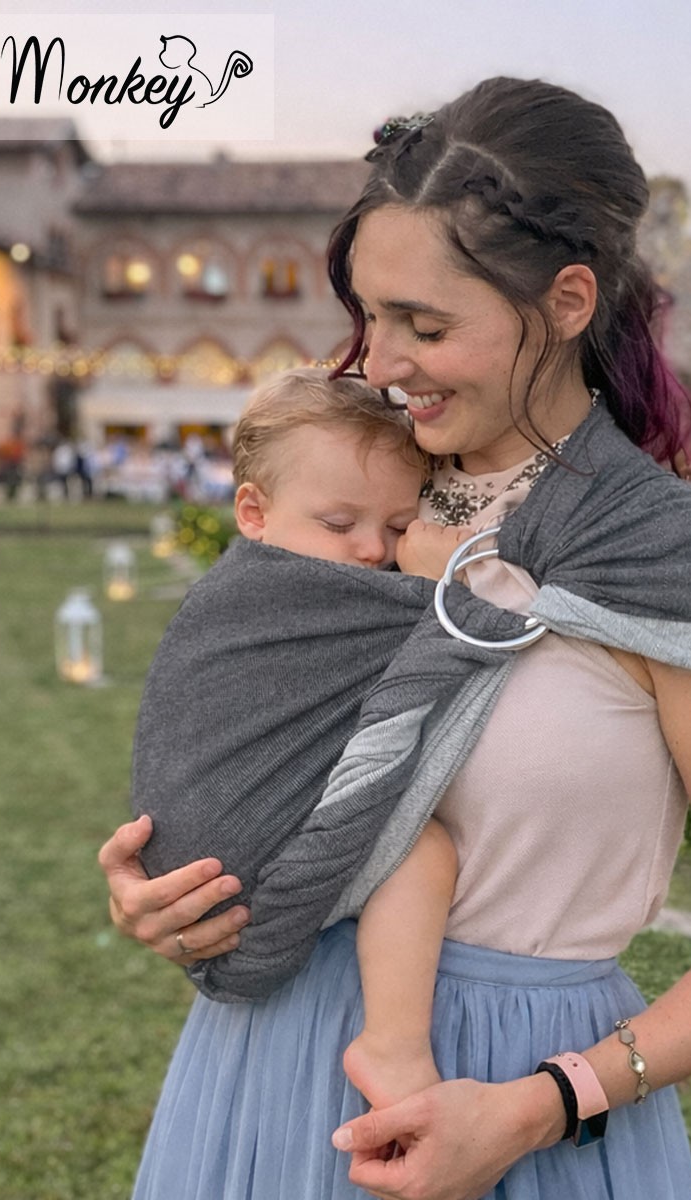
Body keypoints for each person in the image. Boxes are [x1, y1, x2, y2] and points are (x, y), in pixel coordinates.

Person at [99, 76, 691, 1200]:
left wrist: (545, 1106)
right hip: (268, 1050)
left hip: (509, 1096)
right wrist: (187, 886)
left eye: (425, 325)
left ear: (569, 300)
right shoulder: (360, 500)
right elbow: (269, 734)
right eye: (371, 316)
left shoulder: (669, 555)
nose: (380, 363)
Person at [130, 365, 465, 1108]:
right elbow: (192, 714)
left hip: (209, 892)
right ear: (253, 512)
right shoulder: (246, 602)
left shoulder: (319, 577)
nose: (373, 551)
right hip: (220, 873)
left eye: (400, 527)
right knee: (426, 850)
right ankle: (396, 1045)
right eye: (340, 525)